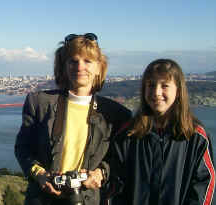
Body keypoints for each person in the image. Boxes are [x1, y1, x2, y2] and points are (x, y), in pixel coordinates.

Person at [14, 33, 132, 205]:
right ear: (64, 66)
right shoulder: (39, 103)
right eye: (73, 61)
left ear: (99, 67)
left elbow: (123, 157)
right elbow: (22, 148)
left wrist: (102, 173)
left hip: (88, 198)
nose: (80, 67)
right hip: (43, 198)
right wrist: (40, 174)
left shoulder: (115, 113)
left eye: (87, 61)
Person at [110, 59, 215, 205]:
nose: (156, 92)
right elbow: (116, 185)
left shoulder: (195, 136)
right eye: (151, 85)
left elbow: (204, 184)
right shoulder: (128, 134)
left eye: (164, 86)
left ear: (178, 91)